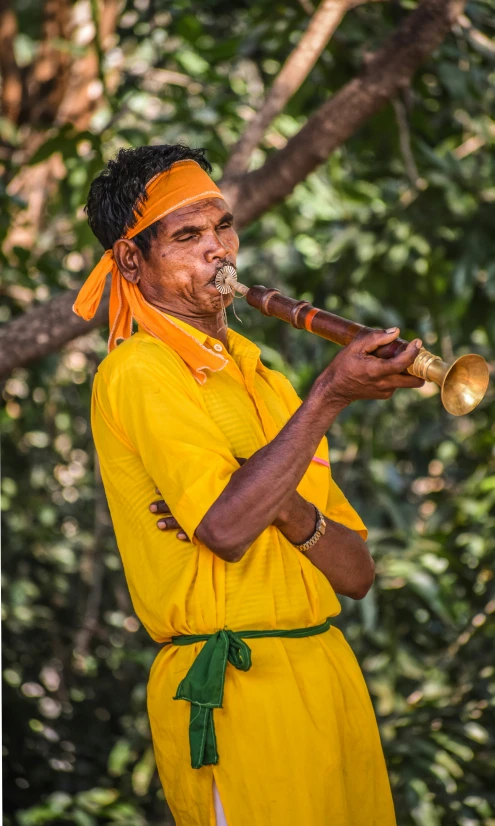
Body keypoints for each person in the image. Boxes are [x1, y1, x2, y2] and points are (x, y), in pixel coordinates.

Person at [74, 144, 424, 826]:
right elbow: (228, 529)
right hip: (234, 688)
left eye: (222, 228)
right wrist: (327, 395)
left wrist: (279, 503)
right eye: (187, 236)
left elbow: (354, 574)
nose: (218, 249)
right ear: (130, 261)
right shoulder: (141, 370)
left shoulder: (264, 377)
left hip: (327, 668)